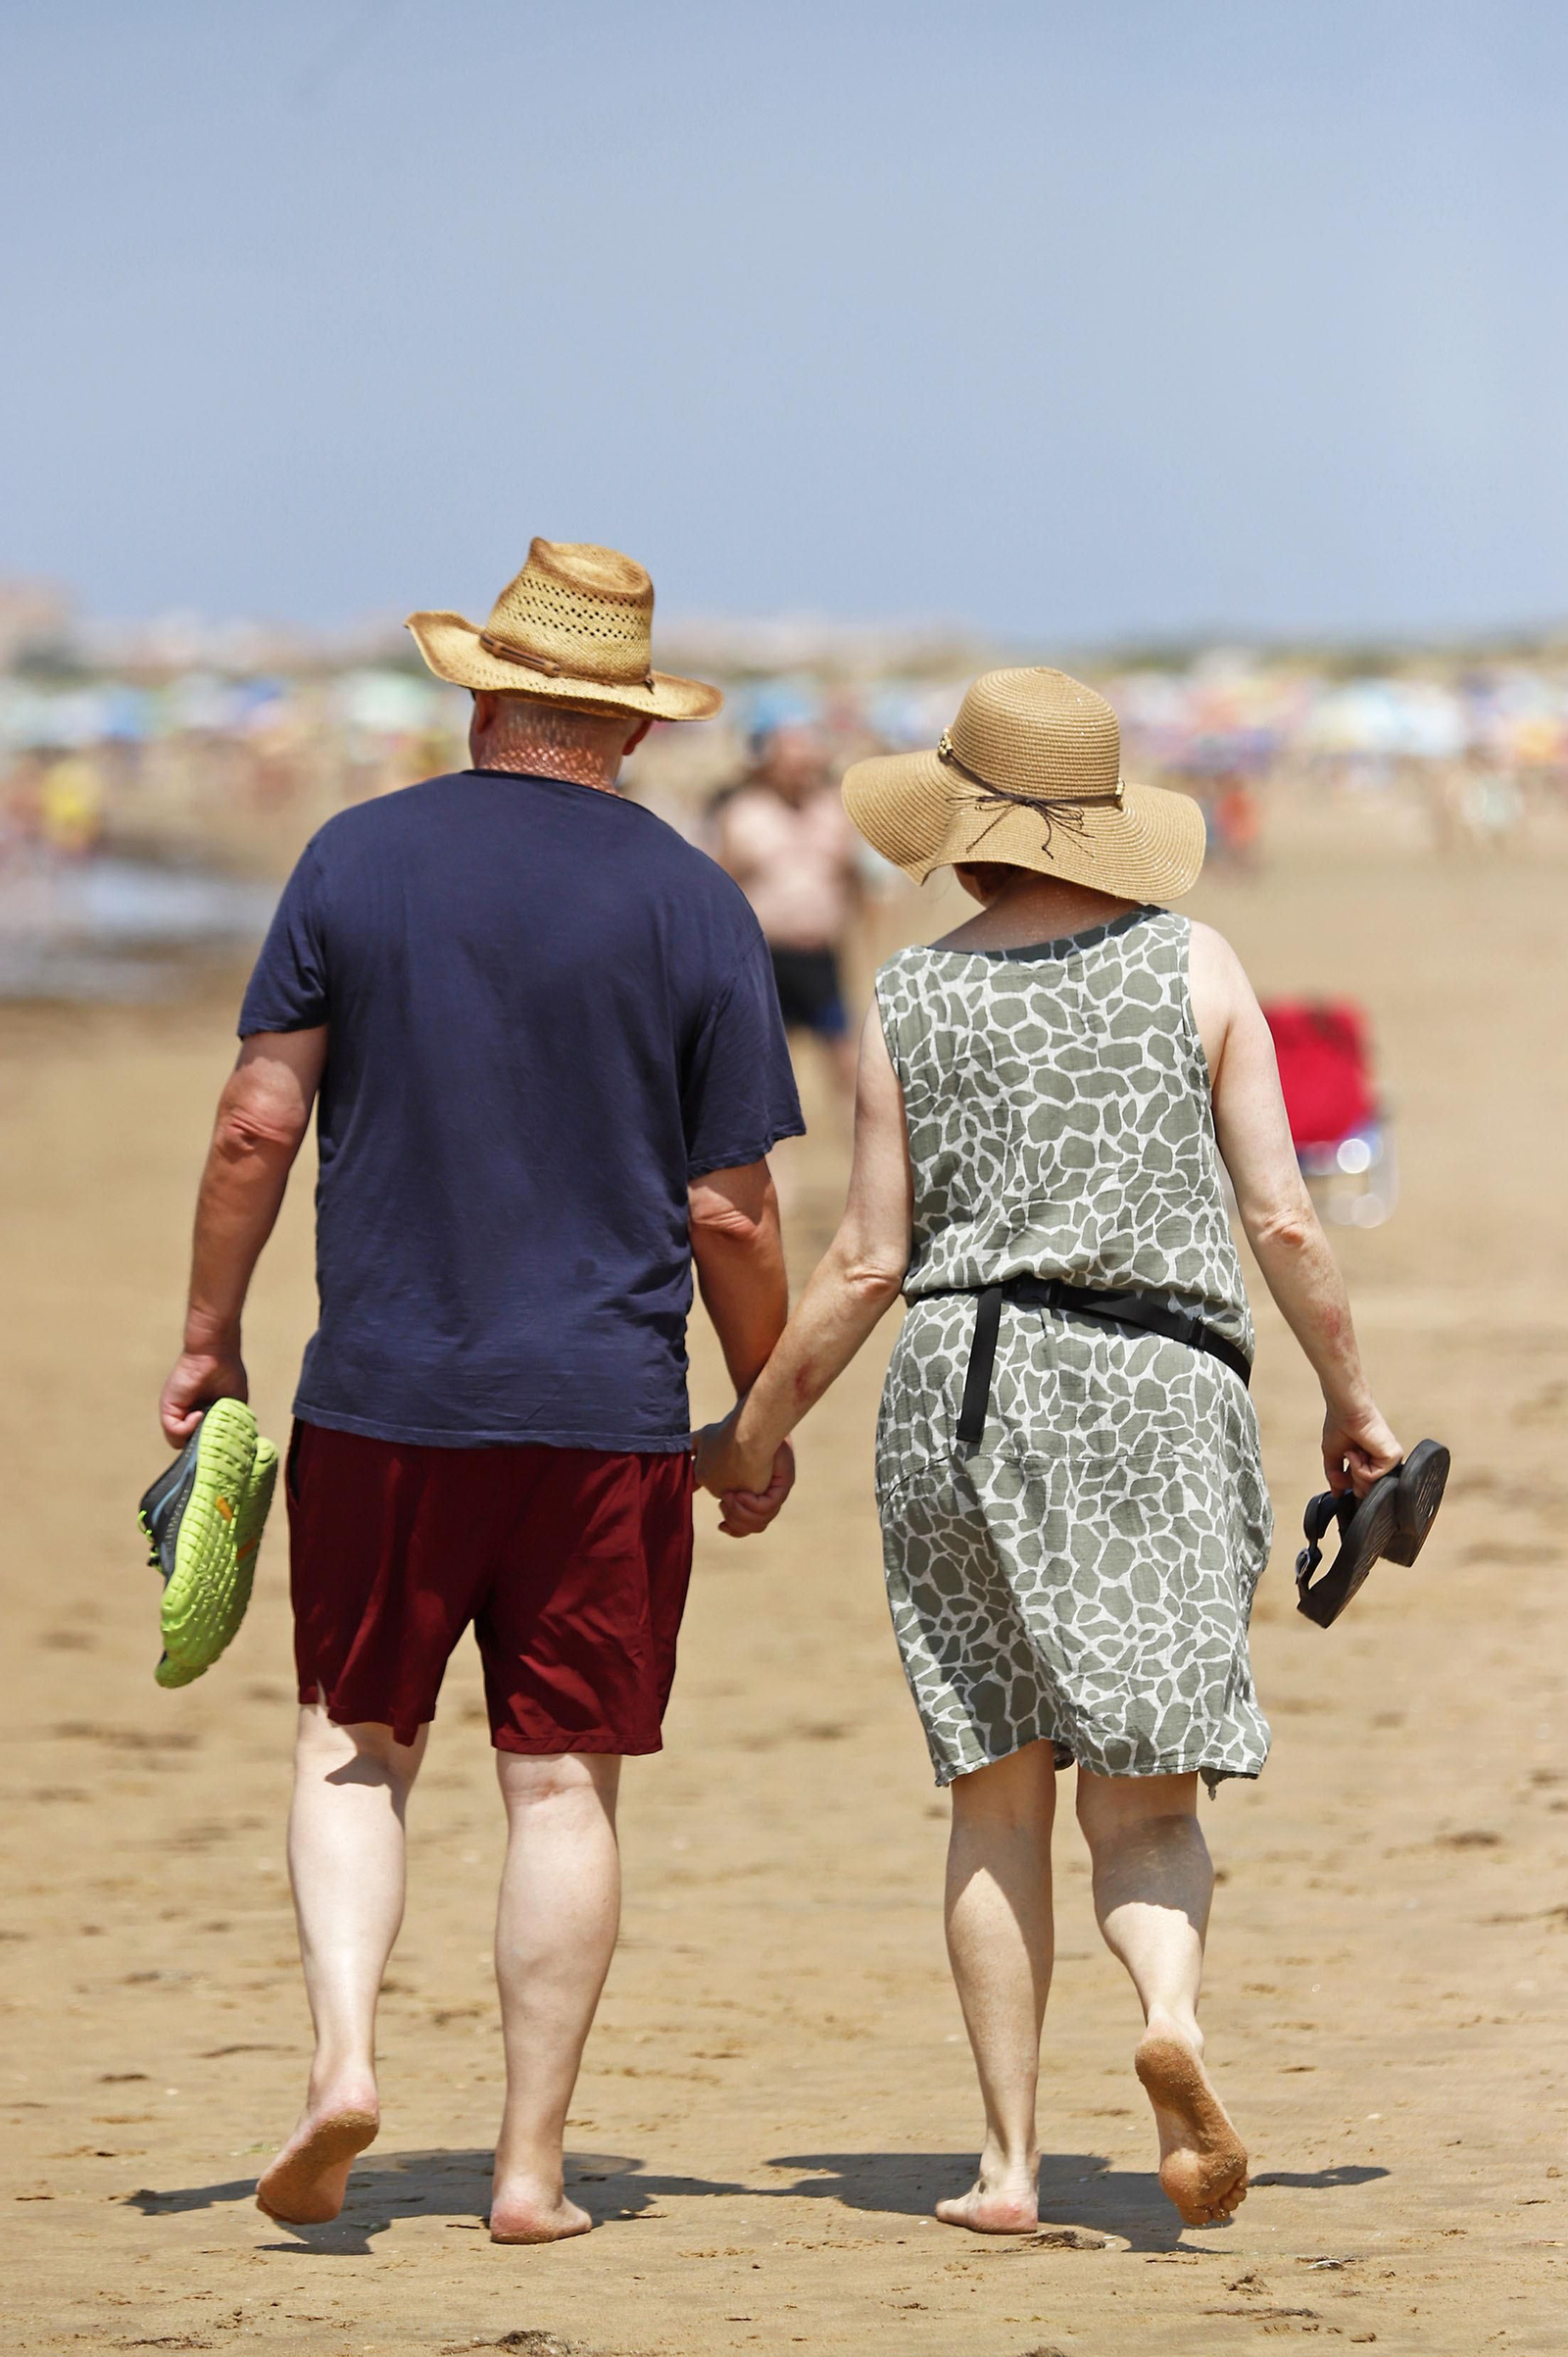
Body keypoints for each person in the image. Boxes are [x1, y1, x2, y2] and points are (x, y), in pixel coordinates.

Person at [698, 666, 1402, 2234]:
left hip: (961, 1387)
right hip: (1156, 1386)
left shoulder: (917, 996)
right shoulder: (1195, 963)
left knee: (994, 1796)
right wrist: (1353, 1404)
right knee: (1150, 1799)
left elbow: (868, 1263)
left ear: (960, 833)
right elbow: (1282, 1216)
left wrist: (744, 1440)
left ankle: (1008, 2168)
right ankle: (1170, 2019)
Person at [157, 540, 803, 2242]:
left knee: (355, 1750)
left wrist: (207, 1333)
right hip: (600, 1412)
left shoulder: (354, 860)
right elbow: (729, 1209)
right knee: (563, 1779)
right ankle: (528, 2175)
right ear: (635, 728)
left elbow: (253, 1122)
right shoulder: (693, 901)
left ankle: (346, 2063)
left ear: (480, 692)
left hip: (384, 1394)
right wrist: (760, 1413)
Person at [713, 723, 863, 1103]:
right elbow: (720, 888)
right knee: (765, 1065)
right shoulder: (742, 815)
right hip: (766, 959)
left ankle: (853, 1144)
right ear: (769, 766)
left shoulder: (834, 812)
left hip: (820, 957)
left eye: (806, 763)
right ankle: (778, 1158)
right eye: (790, 763)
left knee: (846, 1059)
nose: (800, 771)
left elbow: (854, 882)